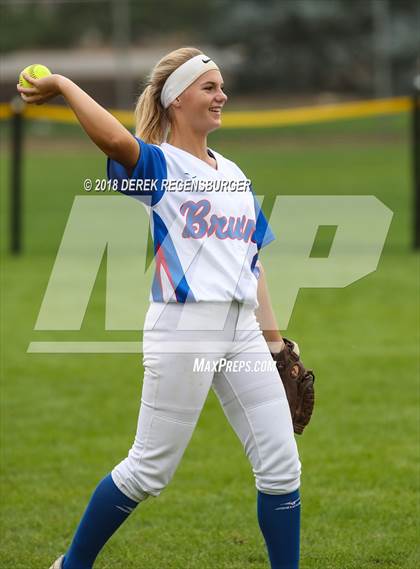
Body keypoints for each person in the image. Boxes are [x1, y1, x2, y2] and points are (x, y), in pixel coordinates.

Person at [18, 47, 302, 569]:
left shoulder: (236, 174)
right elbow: (113, 140)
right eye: (209, 87)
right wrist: (61, 83)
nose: (222, 96)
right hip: (184, 326)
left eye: (221, 86)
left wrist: (276, 342)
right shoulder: (160, 165)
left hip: (241, 329)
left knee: (282, 466)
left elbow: (253, 263)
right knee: (150, 470)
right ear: (176, 100)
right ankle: (72, 564)